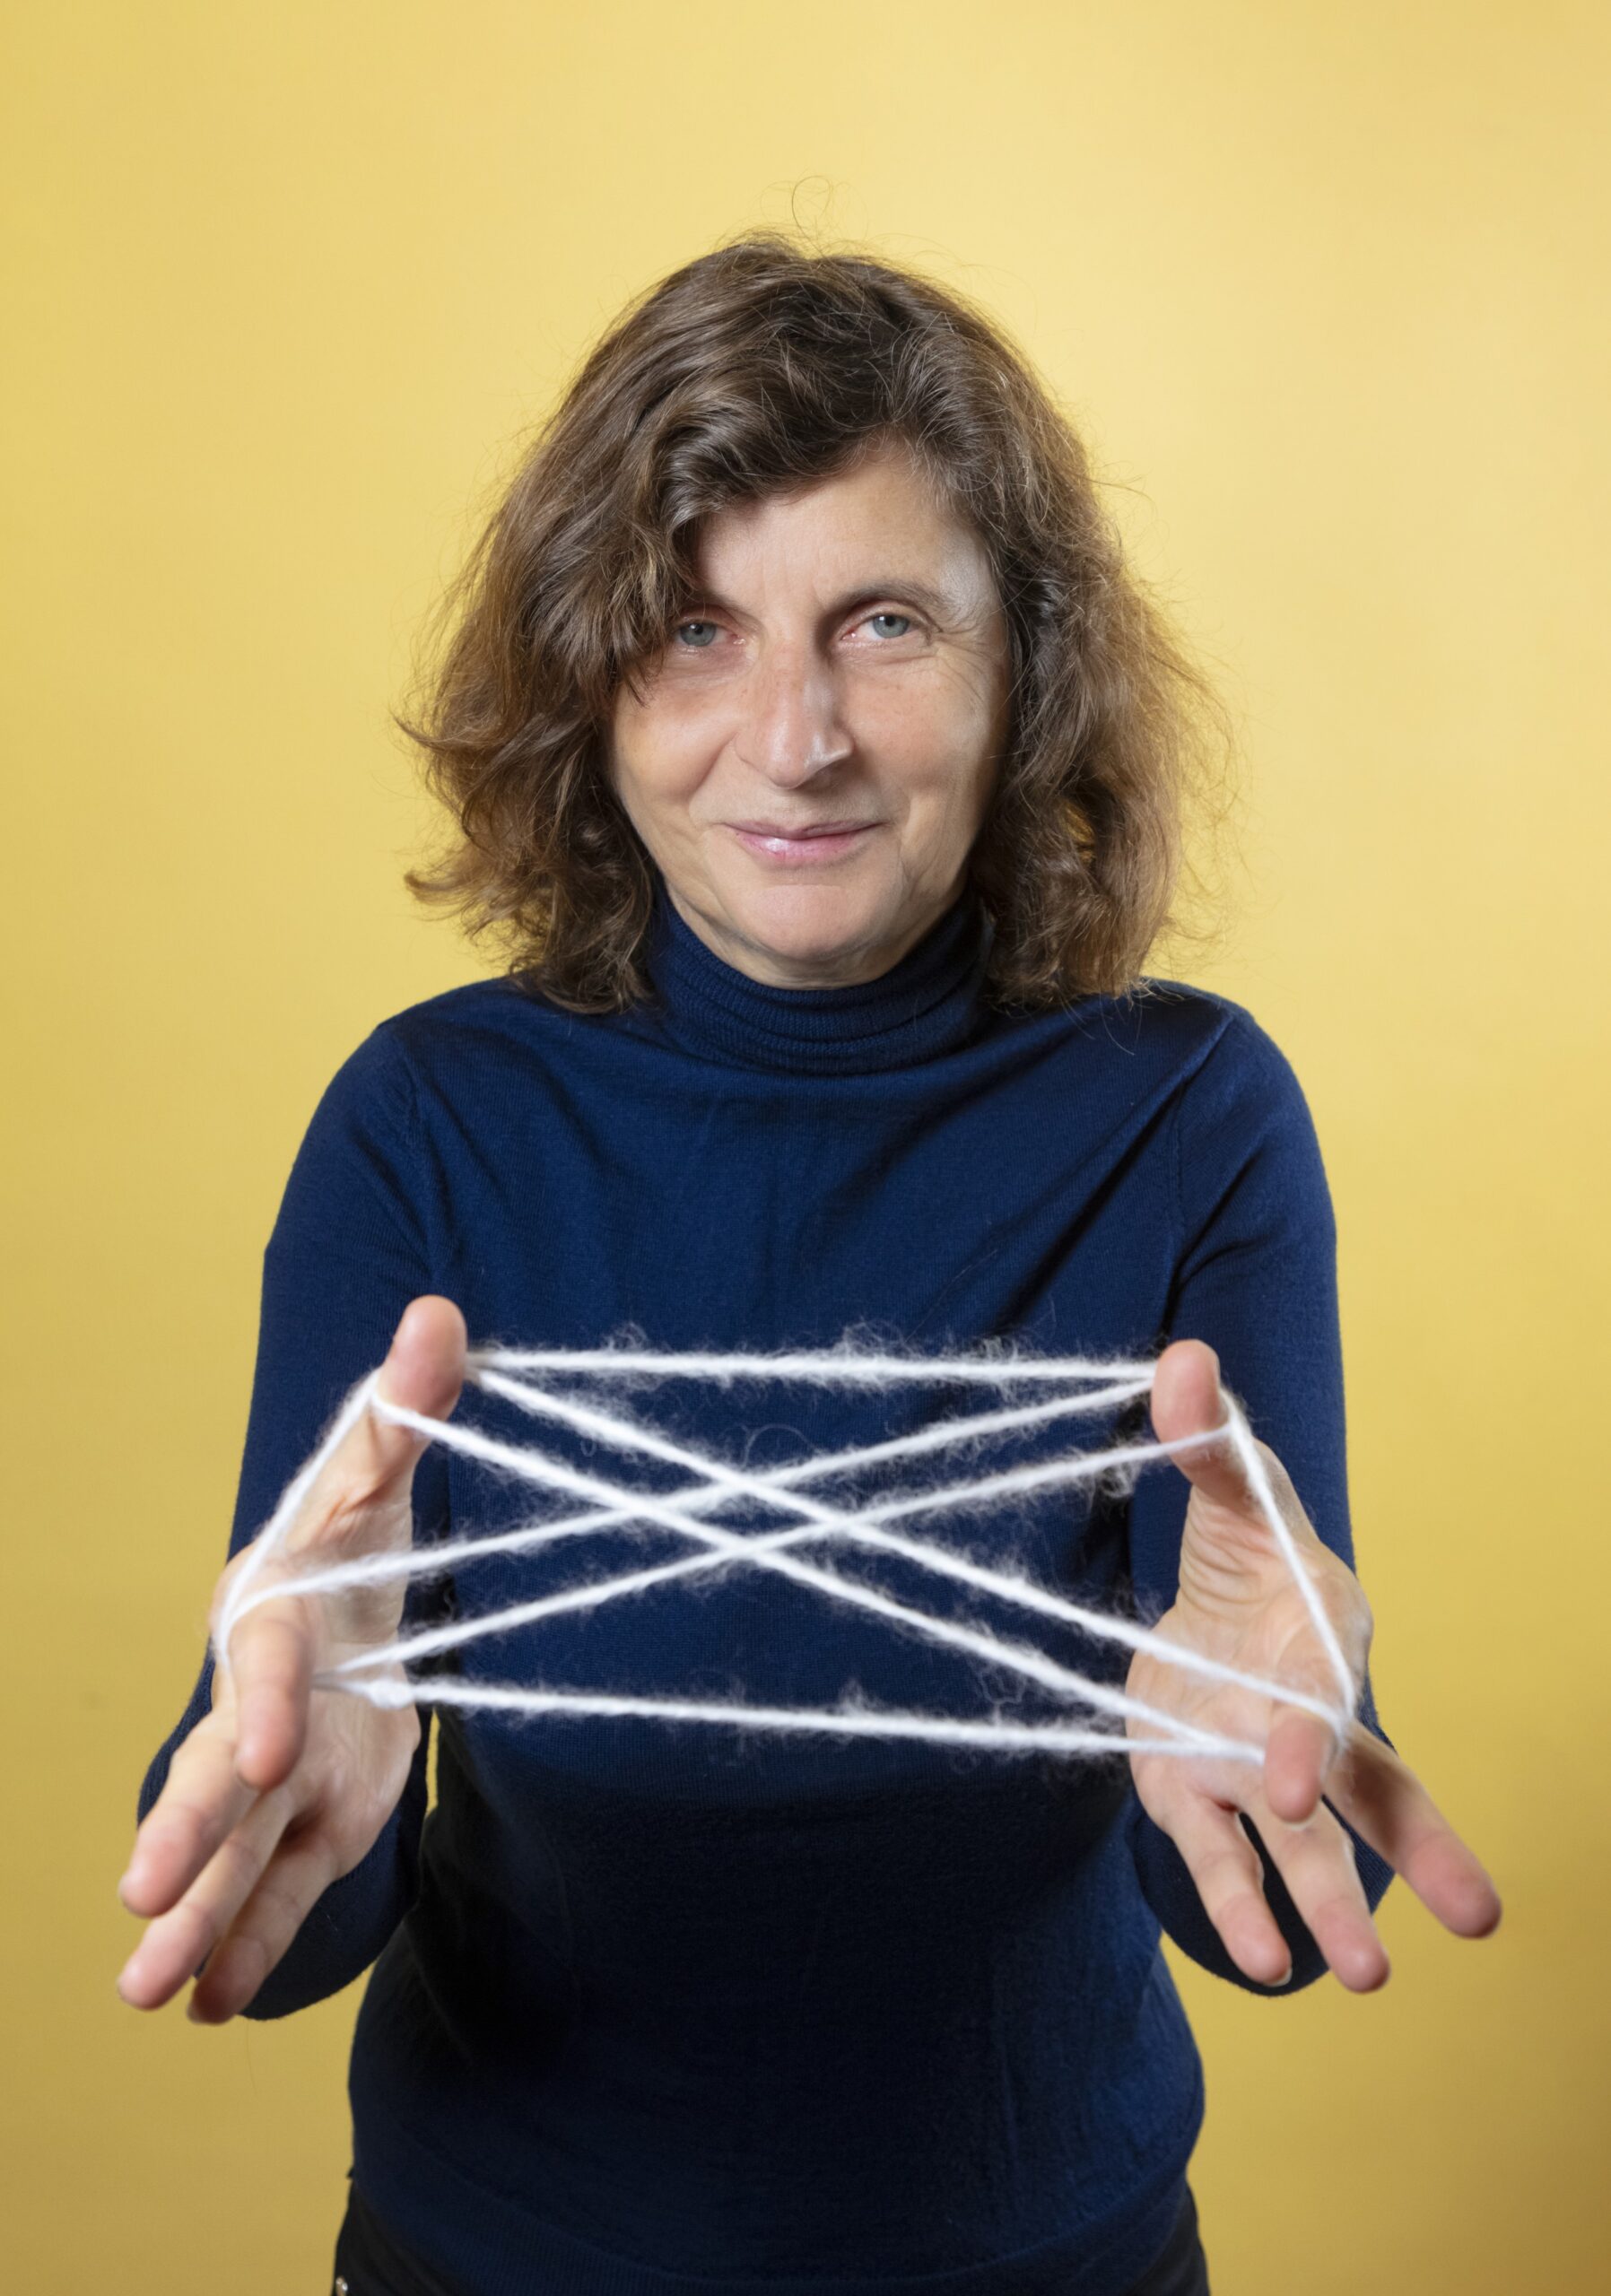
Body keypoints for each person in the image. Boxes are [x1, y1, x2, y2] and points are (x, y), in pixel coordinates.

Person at [116, 233, 1502, 2296]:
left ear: (1022, 668)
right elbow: (277, 1932)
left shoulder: (1190, 1115)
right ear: (589, 680)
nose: (794, 737)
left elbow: (1269, 1917)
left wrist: (1280, 1739)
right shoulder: (424, 1125)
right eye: (694, 628)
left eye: (883, 625)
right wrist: (280, 1765)